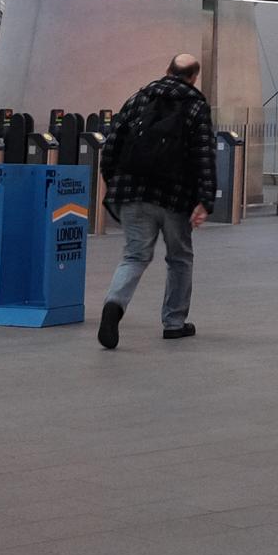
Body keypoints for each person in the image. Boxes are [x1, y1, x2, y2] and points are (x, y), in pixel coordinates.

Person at [98, 53, 217, 348]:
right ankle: (174, 323)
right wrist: (205, 200)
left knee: (134, 255)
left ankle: (114, 304)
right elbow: (204, 155)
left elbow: (112, 143)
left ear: (167, 71)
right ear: (194, 77)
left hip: (133, 192)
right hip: (175, 196)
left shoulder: (140, 97)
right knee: (179, 258)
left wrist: (114, 182)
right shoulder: (195, 106)